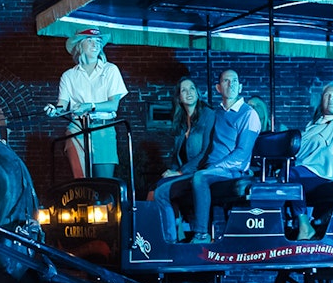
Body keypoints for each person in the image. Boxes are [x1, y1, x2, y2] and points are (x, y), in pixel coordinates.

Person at [153, 69, 261, 244]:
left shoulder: (249, 114)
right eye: (226, 81)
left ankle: (201, 234)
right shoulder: (216, 114)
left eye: (234, 81)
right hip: (209, 170)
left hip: (231, 171)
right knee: (161, 192)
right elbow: (206, 148)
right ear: (218, 88)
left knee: (200, 177)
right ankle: (170, 241)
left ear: (240, 86)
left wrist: (214, 167)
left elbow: (242, 154)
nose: (231, 84)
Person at [44, 28, 128, 178]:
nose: (95, 45)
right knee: (81, 180)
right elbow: (62, 105)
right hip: (78, 128)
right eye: (90, 40)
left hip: (104, 128)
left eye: (98, 41)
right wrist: (54, 110)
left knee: (104, 182)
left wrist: (90, 106)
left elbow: (113, 105)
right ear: (79, 45)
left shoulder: (110, 70)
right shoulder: (69, 76)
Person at [150, 77, 216, 211]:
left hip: (200, 173)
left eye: (192, 88)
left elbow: (206, 151)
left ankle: (171, 224)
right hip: (184, 173)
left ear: (197, 93)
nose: (189, 92)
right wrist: (172, 171)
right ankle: (171, 224)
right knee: (155, 188)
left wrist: (179, 172)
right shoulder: (181, 121)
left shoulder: (208, 115)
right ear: (179, 98)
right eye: (184, 90)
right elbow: (177, 155)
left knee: (159, 192)